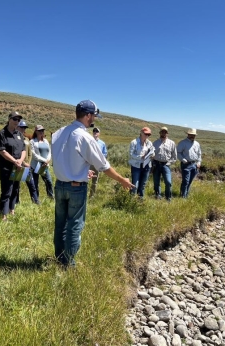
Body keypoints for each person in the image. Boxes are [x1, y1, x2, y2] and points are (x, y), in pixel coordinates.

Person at [51, 100, 134, 267]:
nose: (94, 119)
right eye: (94, 116)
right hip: (76, 189)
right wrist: (122, 180)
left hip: (60, 185)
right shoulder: (85, 137)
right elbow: (103, 166)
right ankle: (68, 264)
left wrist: (81, 171)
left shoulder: (58, 133)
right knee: (75, 225)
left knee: (60, 224)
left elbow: (62, 158)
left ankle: (59, 258)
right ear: (88, 115)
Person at [0, 111, 26, 221]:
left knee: (15, 189)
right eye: (15, 119)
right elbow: (2, 150)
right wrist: (14, 161)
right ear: (9, 119)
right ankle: (3, 214)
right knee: (7, 190)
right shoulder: (2, 133)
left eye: (18, 120)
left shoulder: (19, 134)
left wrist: (20, 161)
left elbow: (23, 149)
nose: (17, 121)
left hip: (18, 166)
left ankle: (11, 210)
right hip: (7, 166)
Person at [16, 120, 39, 204]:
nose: (23, 129)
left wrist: (28, 163)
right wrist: (22, 163)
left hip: (27, 166)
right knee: (16, 186)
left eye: (24, 128)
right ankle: (16, 202)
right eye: (21, 127)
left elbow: (29, 153)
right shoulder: (14, 138)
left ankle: (36, 201)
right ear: (17, 127)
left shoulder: (26, 139)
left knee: (32, 185)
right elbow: (15, 153)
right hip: (18, 165)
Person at [128, 127, 154, 199]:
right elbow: (131, 154)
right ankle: (131, 199)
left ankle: (140, 199)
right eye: (146, 134)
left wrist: (152, 155)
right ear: (141, 133)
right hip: (136, 166)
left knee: (143, 184)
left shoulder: (149, 143)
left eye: (149, 134)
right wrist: (140, 157)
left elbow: (152, 151)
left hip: (146, 166)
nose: (147, 136)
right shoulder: (134, 142)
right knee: (135, 184)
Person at [152, 126, 177, 201]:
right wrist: (152, 164)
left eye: (165, 132)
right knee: (156, 182)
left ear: (167, 133)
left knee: (168, 182)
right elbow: (151, 154)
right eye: (162, 131)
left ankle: (168, 197)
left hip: (166, 165)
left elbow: (174, 156)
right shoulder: (155, 143)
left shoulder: (172, 143)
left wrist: (169, 163)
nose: (163, 133)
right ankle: (157, 196)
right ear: (160, 133)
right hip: (156, 164)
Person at [30, 124, 54, 200]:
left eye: (42, 130)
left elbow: (49, 151)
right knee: (35, 184)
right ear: (36, 131)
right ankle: (36, 200)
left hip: (44, 166)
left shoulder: (46, 141)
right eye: (40, 131)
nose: (41, 132)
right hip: (35, 165)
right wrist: (45, 161)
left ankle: (51, 197)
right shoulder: (32, 141)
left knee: (49, 181)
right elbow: (34, 155)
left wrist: (48, 160)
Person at [177, 128, 202, 198]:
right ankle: (182, 196)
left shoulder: (197, 144)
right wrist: (183, 160)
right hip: (186, 164)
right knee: (185, 181)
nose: (192, 136)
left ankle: (186, 194)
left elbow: (199, 154)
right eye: (191, 135)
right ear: (188, 134)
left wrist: (199, 162)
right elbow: (178, 153)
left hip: (194, 165)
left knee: (190, 181)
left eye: (193, 135)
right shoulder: (183, 143)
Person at [89, 127, 107, 198]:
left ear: (99, 133)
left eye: (97, 131)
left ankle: (91, 196)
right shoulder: (89, 141)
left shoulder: (102, 143)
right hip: (88, 163)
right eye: (94, 131)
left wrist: (101, 159)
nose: (95, 132)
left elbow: (105, 153)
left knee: (94, 180)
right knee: (84, 179)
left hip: (96, 164)